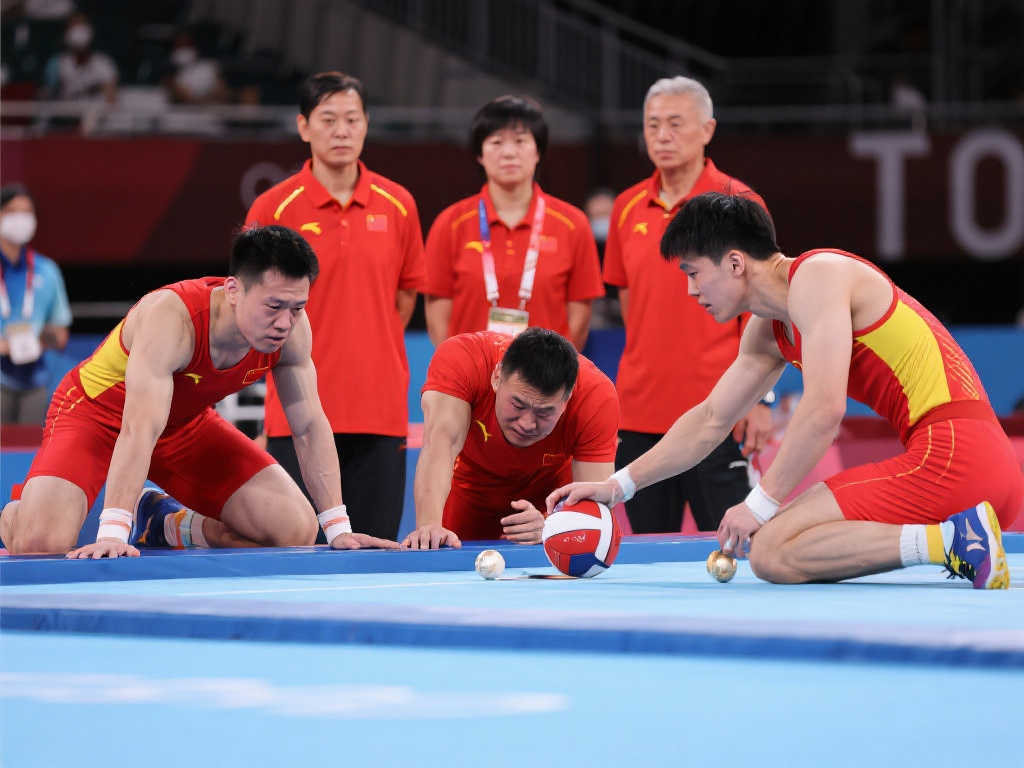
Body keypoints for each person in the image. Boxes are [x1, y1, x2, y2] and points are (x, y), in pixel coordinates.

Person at [549, 193, 1022, 589]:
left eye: (694, 273)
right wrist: (616, 487)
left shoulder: (819, 275)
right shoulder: (767, 330)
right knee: (780, 551)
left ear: (735, 262)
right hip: (965, 464)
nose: (691, 291)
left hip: (955, 460)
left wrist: (759, 504)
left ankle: (955, 540)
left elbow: (824, 409)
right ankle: (954, 539)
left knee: (771, 549)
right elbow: (711, 420)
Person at [0, 225, 398, 557]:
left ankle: (167, 524)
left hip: (182, 425)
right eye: (274, 306)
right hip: (96, 416)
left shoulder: (293, 331)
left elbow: (309, 426)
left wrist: (338, 528)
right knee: (39, 543)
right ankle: (22, 511)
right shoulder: (171, 317)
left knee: (294, 528)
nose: (285, 322)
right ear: (234, 290)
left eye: (297, 307)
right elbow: (138, 428)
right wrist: (114, 533)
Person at [246, 71, 425, 541]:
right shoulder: (272, 208)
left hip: (379, 410)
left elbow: (405, 297)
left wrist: (368, 340)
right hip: (296, 409)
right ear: (303, 126)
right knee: (296, 550)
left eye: (352, 119)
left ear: (366, 124)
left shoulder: (399, 204)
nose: (341, 131)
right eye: (328, 119)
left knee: (375, 551)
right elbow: (251, 308)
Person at [603, 76, 773, 534]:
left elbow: (765, 306)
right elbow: (630, 304)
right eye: (653, 124)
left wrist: (760, 399)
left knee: (732, 550)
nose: (662, 136)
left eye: (676, 124)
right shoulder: (625, 208)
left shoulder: (740, 203)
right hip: (640, 417)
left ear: (707, 129)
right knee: (647, 558)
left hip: (721, 412)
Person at [403, 327, 618, 549]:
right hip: (470, 487)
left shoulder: (595, 395)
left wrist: (552, 524)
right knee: (441, 550)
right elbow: (440, 446)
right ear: (496, 377)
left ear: (568, 398)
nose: (527, 423)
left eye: (544, 412)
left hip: (550, 493)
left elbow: (594, 510)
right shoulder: (464, 359)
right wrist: (429, 525)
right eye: (518, 405)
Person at [423, 95, 604, 351]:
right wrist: (457, 368)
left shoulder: (573, 224)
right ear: (479, 155)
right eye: (496, 142)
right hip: (470, 374)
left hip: (546, 374)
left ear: (538, 151)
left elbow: (580, 314)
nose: (508, 153)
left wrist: (555, 370)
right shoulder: (450, 224)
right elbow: (437, 313)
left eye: (520, 141)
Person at [0, 183, 72, 425]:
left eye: (27, 212)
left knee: (30, 446)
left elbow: (60, 333)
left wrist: (40, 340)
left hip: (35, 383)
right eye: (13, 211)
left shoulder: (47, 271)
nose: (20, 219)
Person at [41, 12, 117, 103]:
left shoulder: (103, 62)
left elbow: (111, 96)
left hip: (95, 108)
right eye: (74, 26)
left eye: (82, 26)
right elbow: (47, 95)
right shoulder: (57, 62)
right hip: (67, 108)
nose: (78, 32)